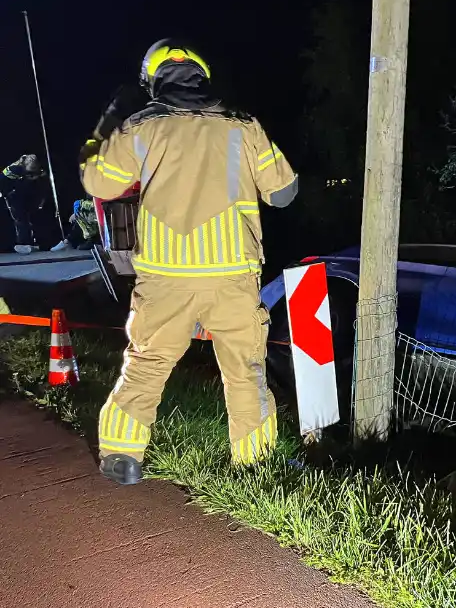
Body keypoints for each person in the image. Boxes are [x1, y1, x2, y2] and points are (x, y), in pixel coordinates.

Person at [79, 39, 298, 485]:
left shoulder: (138, 127)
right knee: (245, 370)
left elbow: (98, 184)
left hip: (166, 277)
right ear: (202, 75)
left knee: (147, 363)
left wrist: (99, 135)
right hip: (232, 273)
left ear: (153, 81)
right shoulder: (243, 125)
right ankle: (255, 465)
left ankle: (122, 454)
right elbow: (284, 193)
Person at [1, 154, 52, 254]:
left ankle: (36, 241)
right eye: (30, 171)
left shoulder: (32, 168)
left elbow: (35, 179)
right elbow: (5, 181)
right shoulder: (14, 169)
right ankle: (23, 242)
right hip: (12, 194)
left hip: (25, 194)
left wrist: (39, 175)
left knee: (32, 217)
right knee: (20, 219)